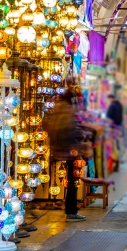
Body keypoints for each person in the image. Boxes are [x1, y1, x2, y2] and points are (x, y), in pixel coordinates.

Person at [44, 92, 87, 222]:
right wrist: (81, 137)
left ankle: (71, 210)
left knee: (70, 180)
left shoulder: (57, 109)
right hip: (70, 150)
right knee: (73, 181)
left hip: (60, 149)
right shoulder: (68, 111)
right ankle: (71, 211)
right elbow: (71, 130)